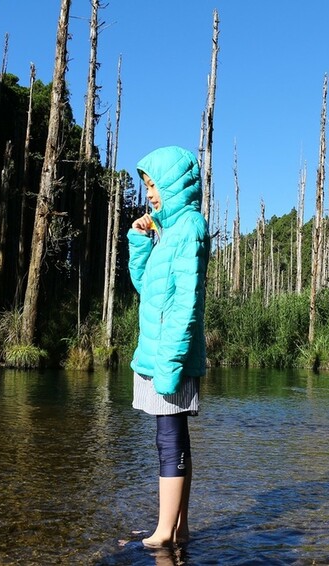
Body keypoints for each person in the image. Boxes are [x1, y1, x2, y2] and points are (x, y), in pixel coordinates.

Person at [127, 146, 210, 548]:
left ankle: (164, 531)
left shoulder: (190, 227)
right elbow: (148, 290)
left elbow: (186, 304)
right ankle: (178, 528)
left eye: (155, 184)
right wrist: (140, 241)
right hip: (159, 352)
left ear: (175, 184)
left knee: (169, 438)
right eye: (147, 186)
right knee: (172, 437)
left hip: (170, 354)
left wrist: (171, 362)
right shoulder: (168, 231)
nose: (151, 194)